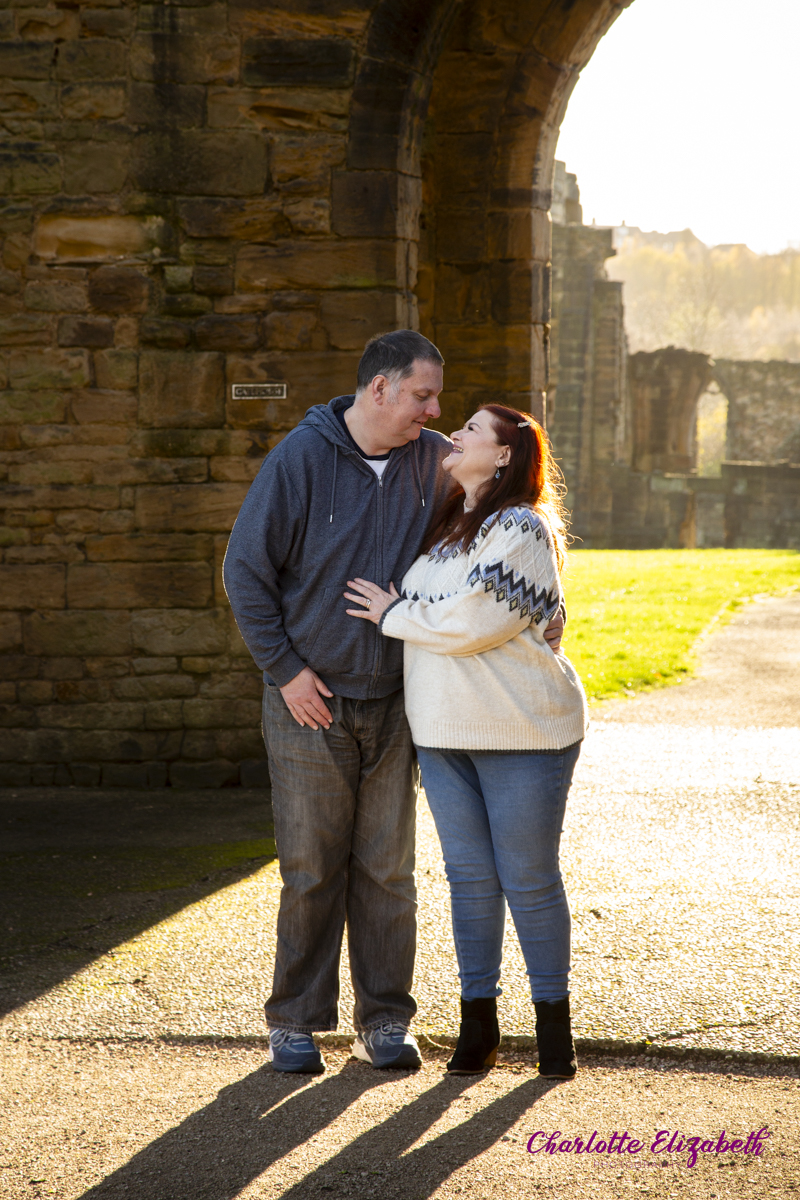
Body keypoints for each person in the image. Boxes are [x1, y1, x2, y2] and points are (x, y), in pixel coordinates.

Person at [224, 333, 564, 1075]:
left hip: (399, 703)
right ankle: (295, 1023)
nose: (436, 412)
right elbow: (244, 571)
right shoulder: (301, 459)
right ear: (379, 390)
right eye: (422, 396)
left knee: (388, 871)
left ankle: (384, 1020)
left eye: (439, 400)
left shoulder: (434, 459)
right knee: (312, 867)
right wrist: (285, 672)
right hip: (308, 699)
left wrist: (543, 614)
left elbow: (494, 528)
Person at [344, 403, 587, 1079]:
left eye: (474, 430)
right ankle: (478, 1023)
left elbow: (474, 622)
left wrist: (397, 613)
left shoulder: (522, 524)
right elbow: (452, 613)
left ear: (506, 455)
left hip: (524, 732)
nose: (457, 435)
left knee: (528, 879)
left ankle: (553, 1030)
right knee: (470, 882)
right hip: (444, 732)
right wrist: (422, 612)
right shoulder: (448, 529)